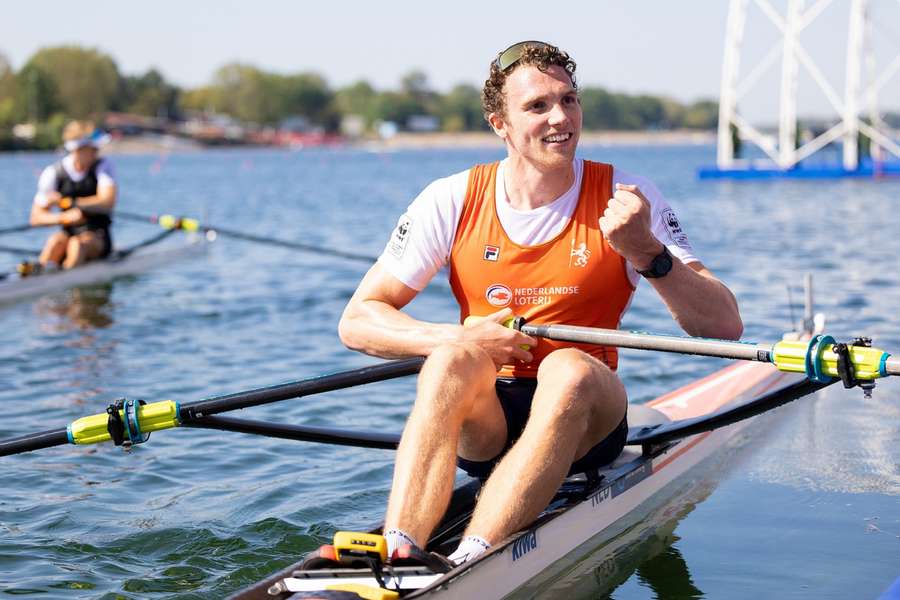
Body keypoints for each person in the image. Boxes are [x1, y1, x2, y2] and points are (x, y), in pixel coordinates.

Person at [338, 41, 743, 565]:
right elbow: (358, 320)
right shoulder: (451, 198)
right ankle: (400, 552)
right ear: (499, 124)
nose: (561, 118)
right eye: (537, 106)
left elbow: (724, 325)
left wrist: (647, 251)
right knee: (449, 360)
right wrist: (456, 336)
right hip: (489, 420)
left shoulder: (627, 195)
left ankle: (470, 564)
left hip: (588, 413)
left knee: (568, 368)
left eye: (569, 100)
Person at [30, 120, 116, 270]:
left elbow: (107, 201)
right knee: (54, 242)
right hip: (68, 233)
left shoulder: (102, 166)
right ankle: (41, 281)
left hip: (97, 234)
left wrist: (71, 202)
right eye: (93, 148)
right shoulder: (53, 173)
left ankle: (68, 286)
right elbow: (36, 218)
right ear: (78, 149)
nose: (97, 152)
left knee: (77, 244)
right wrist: (63, 217)